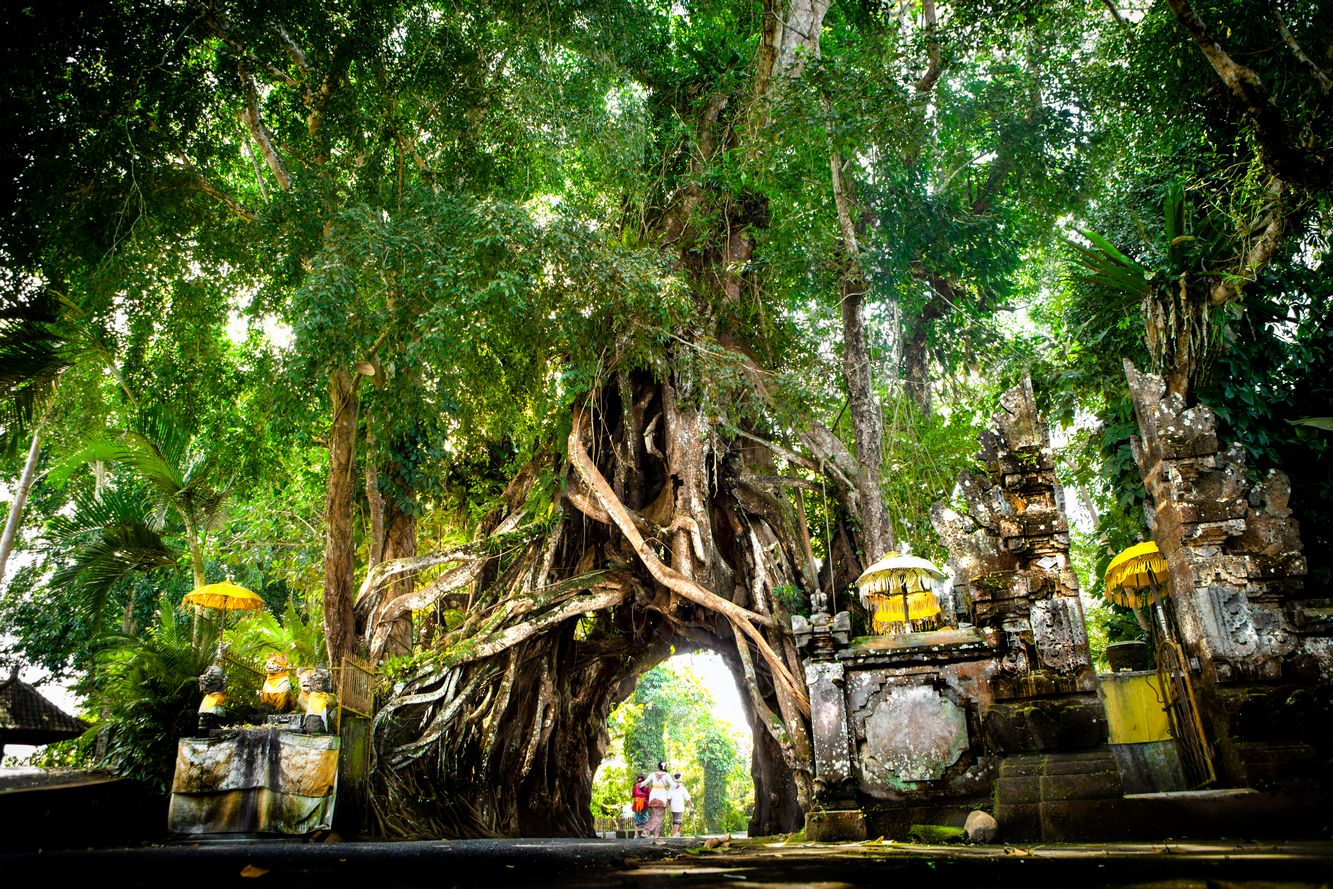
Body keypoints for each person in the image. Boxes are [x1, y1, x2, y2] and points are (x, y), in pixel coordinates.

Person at [639, 761, 674, 838]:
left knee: (655, 815)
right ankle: (646, 831)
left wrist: (639, 785)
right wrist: (678, 784)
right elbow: (673, 785)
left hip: (653, 796)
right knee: (659, 816)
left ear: (658, 767)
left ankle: (655, 835)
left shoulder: (652, 774)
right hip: (662, 797)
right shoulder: (667, 775)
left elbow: (642, 784)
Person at [666, 772, 691, 837]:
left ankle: (677, 833)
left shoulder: (671, 788)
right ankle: (674, 834)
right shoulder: (682, 788)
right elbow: (688, 798)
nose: (678, 784)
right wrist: (691, 805)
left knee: (676, 821)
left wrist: (667, 806)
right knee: (677, 821)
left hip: (673, 808)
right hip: (679, 808)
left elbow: (668, 799)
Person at [630, 773, 649, 837]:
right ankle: (644, 833)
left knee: (636, 818)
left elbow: (633, 796)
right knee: (645, 818)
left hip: (637, 804)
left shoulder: (635, 787)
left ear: (636, 780)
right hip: (645, 804)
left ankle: (636, 834)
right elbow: (649, 796)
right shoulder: (647, 787)